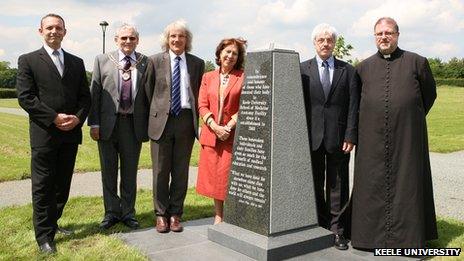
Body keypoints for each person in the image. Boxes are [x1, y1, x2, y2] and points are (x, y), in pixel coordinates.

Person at [351, 17, 437, 248]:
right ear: (374, 37)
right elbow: (356, 102)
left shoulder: (418, 62)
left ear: (397, 35)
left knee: (407, 185)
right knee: (372, 184)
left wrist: (409, 117)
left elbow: (428, 96)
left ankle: (408, 238)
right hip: (372, 140)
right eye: (379, 33)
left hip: (407, 138)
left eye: (388, 33)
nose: (384, 37)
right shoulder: (362, 68)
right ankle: (369, 238)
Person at [16, 13, 90, 254]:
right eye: (49, 28)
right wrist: (53, 118)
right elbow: (26, 97)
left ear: (65, 32)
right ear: (40, 31)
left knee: (62, 185)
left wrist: (78, 117)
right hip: (44, 134)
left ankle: (53, 222)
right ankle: (44, 236)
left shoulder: (77, 62)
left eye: (58, 28)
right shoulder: (28, 60)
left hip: (70, 134)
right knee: (43, 186)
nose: (54, 32)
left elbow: (84, 97)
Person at [300, 23, 359, 250]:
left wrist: (351, 134)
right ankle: (318, 225)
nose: (325, 44)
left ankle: (337, 231)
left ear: (334, 43)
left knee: (338, 185)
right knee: (314, 184)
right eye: (321, 40)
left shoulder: (348, 70)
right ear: (314, 43)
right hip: (311, 139)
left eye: (329, 40)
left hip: (339, 138)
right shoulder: (302, 70)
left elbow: (353, 106)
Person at [144, 20, 205, 233]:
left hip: (186, 122)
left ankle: (175, 214)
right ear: (167, 40)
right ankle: (161, 215)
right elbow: (147, 92)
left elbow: (200, 94)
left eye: (181, 36)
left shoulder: (197, 63)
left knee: (180, 171)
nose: (177, 40)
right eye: (173, 36)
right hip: (161, 122)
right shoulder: (153, 61)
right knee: (160, 171)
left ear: (187, 40)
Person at [88, 24, 148, 230]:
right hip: (106, 126)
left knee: (130, 172)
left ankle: (128, 213)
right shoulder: (102, 60)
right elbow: (94, 94)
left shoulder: (145, 62)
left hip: (133, 125)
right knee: (109, 171)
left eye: (132, 38)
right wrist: (94, 123)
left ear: (137, 40)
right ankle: (111, 213)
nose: (128, 42)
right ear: (116, 40)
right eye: (124, 38)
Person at [196, 38, 246, 225]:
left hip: (231, 135)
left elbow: (247, 105)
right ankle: (219, 215)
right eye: (227, 51)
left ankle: (234, 215)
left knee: (228, 177)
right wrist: (215, 127)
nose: (230, 56)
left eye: (235, 53)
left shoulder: (243, 76)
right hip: (211, 135)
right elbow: (201, 104)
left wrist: (229, 126)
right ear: (220, 53)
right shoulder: (208, 77)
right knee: (214, 178)